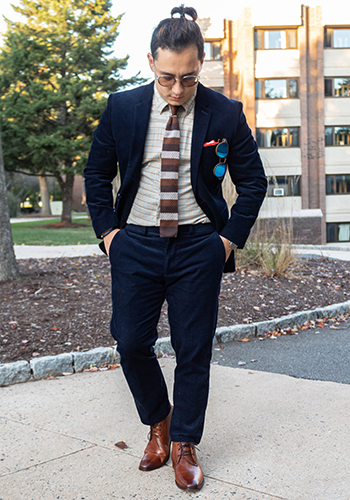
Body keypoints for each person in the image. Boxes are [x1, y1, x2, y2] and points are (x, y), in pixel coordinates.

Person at [84, 5, 267, 491]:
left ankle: (184, 442)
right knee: (130, 342)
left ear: (199, 64)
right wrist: (109, 235)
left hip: (197, 249)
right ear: (150, 63)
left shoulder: (224, 113)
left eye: (188, 78)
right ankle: (158, 422)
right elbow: (96, 174)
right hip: (135, 245)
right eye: (167, 77)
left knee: (193, 349)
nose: (177, 89)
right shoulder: (122, 107)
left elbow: (253, 182)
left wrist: (226, 242)